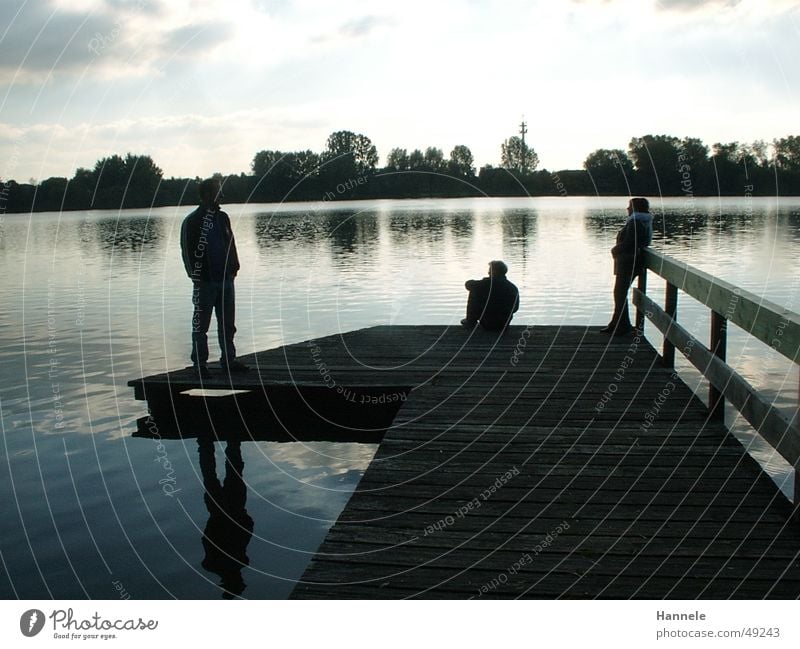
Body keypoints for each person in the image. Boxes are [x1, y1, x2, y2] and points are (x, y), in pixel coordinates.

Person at [181, 178, 249, 377]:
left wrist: (234, 267)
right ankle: (200, 365)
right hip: (205, 282)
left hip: (226, 280)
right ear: (207, 195)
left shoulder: (223, 218)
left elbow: (231, 243)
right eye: (218, 192)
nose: (222, 195)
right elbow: (187, 251)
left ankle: (228, 360)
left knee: (228, 324)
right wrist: (196, 277)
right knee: (201, 325)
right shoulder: (192, 221)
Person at [601, 197, 653, 336]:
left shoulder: (635, 222)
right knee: (620, 293)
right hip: (632, 262)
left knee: (619, 293)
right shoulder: (642, 221)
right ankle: (618, 323)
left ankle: (621, 325)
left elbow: (630, 242)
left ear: (635, 208)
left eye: (629, 206)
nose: (627, 208)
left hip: (628, 262)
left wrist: (615, 250)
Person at [461, 260, 520, 331]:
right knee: (476, 288)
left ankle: (470, 321)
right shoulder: (512, 287)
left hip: (487, 322)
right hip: (503, 324)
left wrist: (484, 280)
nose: (488, 272)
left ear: (493, 272)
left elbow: (468, 284)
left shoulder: (484, 284)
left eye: (490, 271)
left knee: (474, 290)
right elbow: (515, 308)